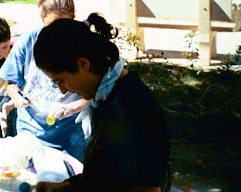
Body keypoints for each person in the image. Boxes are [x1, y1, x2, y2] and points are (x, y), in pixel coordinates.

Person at [33, 14, 171, 192]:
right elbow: (105, 171)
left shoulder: (132, 110)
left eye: (61, 80)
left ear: (83, 64)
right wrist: (66, 186)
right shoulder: (105, 98)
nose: (63, 90)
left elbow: (146, 188)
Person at [0, 0, 88, 162]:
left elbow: (97, 90)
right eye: (53, 25)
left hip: (71, 133)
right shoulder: (28, 41)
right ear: (42, 19)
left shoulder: (83, 43)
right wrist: (16, 97)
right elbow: (11, 83)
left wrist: (73, 108)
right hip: (31, 130)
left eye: (65, 24)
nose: (58, 31)